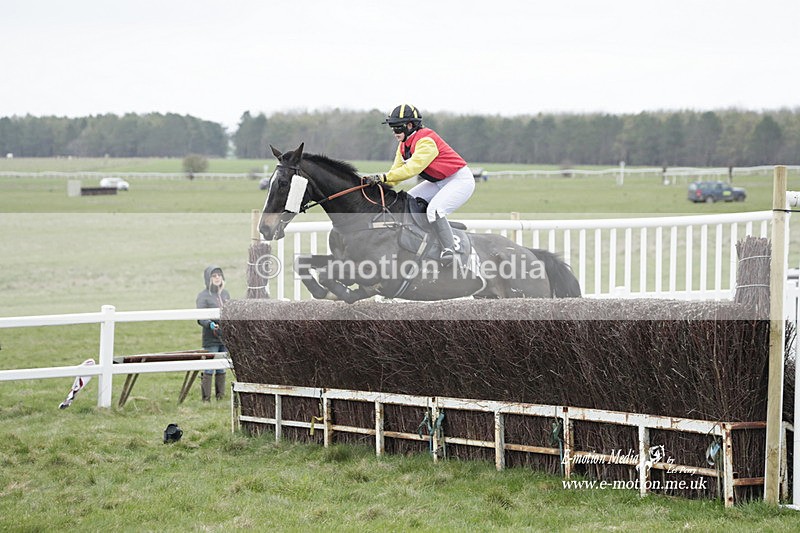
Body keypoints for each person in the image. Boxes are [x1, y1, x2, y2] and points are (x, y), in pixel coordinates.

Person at [365, 104, 474, 266]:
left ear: (410, 125)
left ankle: (449, 250)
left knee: (435, 210)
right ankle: (431, 234)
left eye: (397, 127)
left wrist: (381, 177)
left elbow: (411, 169)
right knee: (407, 201)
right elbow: (395, 175)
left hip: (459, 180)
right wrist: (376, 185)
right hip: (438, 182)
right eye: (392, 128)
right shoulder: (403, 146)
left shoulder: (426, 141)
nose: (394, 132)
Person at [196, 265, 230, 401]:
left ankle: (220, 397)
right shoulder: (203, 296)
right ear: (208, 279)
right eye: (214, 276)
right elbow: (200, 317)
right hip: (211, 338)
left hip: (225, 337)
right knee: (209, 367)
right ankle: (206, 399)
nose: (217, 278)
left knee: (222, 367)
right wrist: (210, 324)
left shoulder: (225, 294)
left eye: (219, 275)